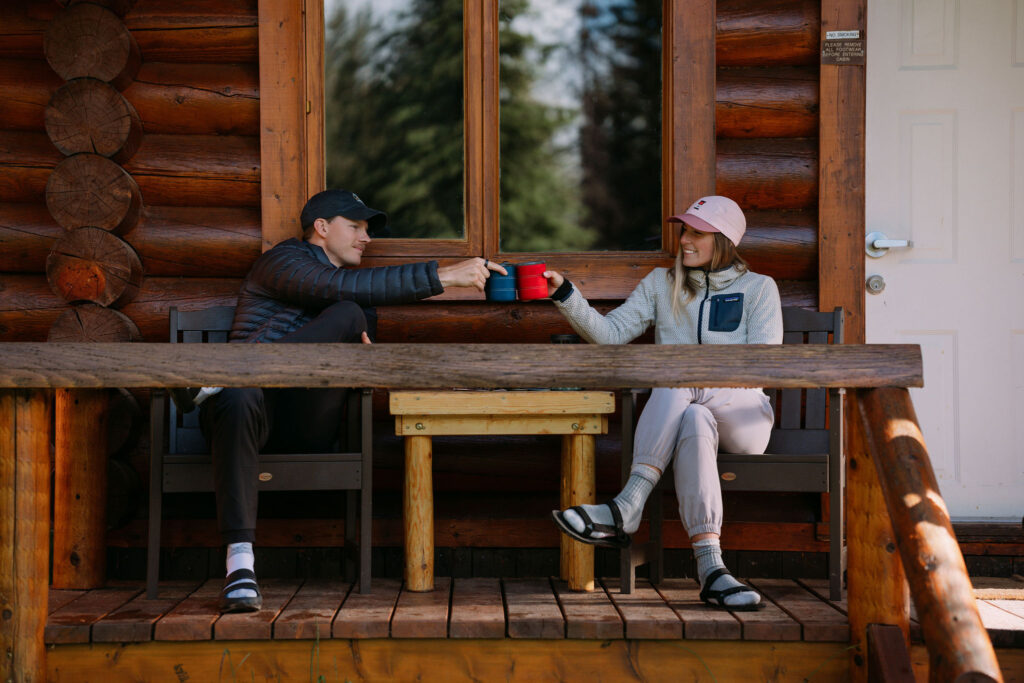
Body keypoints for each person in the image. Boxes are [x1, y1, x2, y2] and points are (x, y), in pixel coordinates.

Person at [175, 189, 506, 612]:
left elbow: (354, 335)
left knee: (349, 314)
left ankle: (216, 379)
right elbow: (331, 287)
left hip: (305, 422)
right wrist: (446, 276)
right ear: (322, 227)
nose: (365, 238)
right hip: (243, 421)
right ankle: (240, 567)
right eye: (356, 227)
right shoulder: (283, 261)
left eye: (367, 230)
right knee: (243, 392)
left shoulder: (357, 300)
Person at [546, 195, 782, 611]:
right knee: (691, 414)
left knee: (677, 376)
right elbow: (612, 333)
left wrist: (693, 369)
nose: (684, 241)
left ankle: (627, 505)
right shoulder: (662, 284)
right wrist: (566, 294)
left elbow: (760, 365)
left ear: (724, 240)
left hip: (745, 418)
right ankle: (712, 569)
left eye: (696, 232)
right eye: (684, 230)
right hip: (691, 415)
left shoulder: (759, 288)